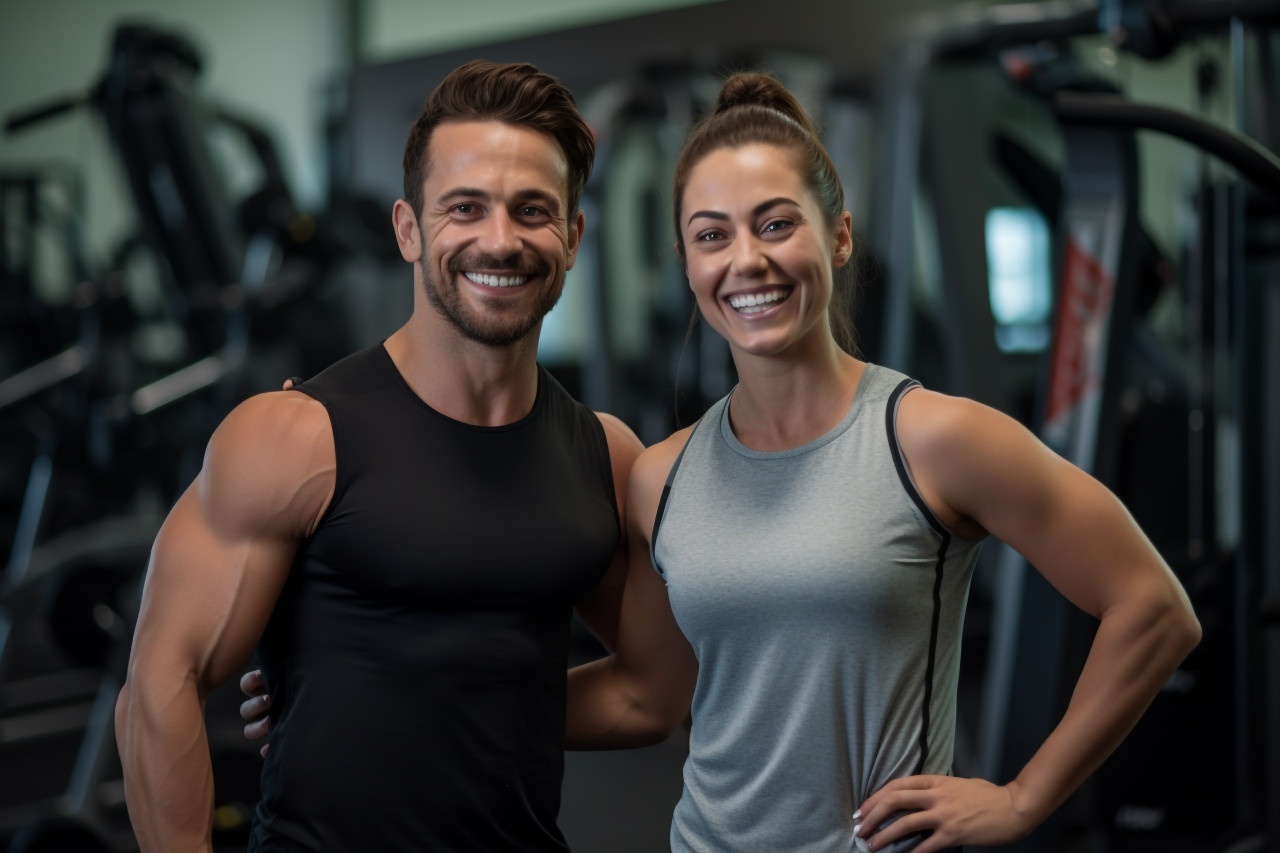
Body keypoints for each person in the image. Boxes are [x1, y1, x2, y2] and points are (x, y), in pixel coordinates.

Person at [558, 72, 1202, 853]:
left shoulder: (933, 440)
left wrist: (1024, 798)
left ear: (838, 235)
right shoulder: (661, 477)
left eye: (776, 224)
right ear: (687, 262)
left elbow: (1153, 606)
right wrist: (450, 702)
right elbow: (645, 696)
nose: (746, 260)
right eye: (712, 234)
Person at [115, 60, 643, 853]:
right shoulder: (294, 436)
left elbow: (649, 694)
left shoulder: (606, 454)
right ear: (409, 228)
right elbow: (161, 683)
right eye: (465, 207)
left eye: (532, 210)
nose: (499, 238)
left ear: (570, 235)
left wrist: (448, 702)